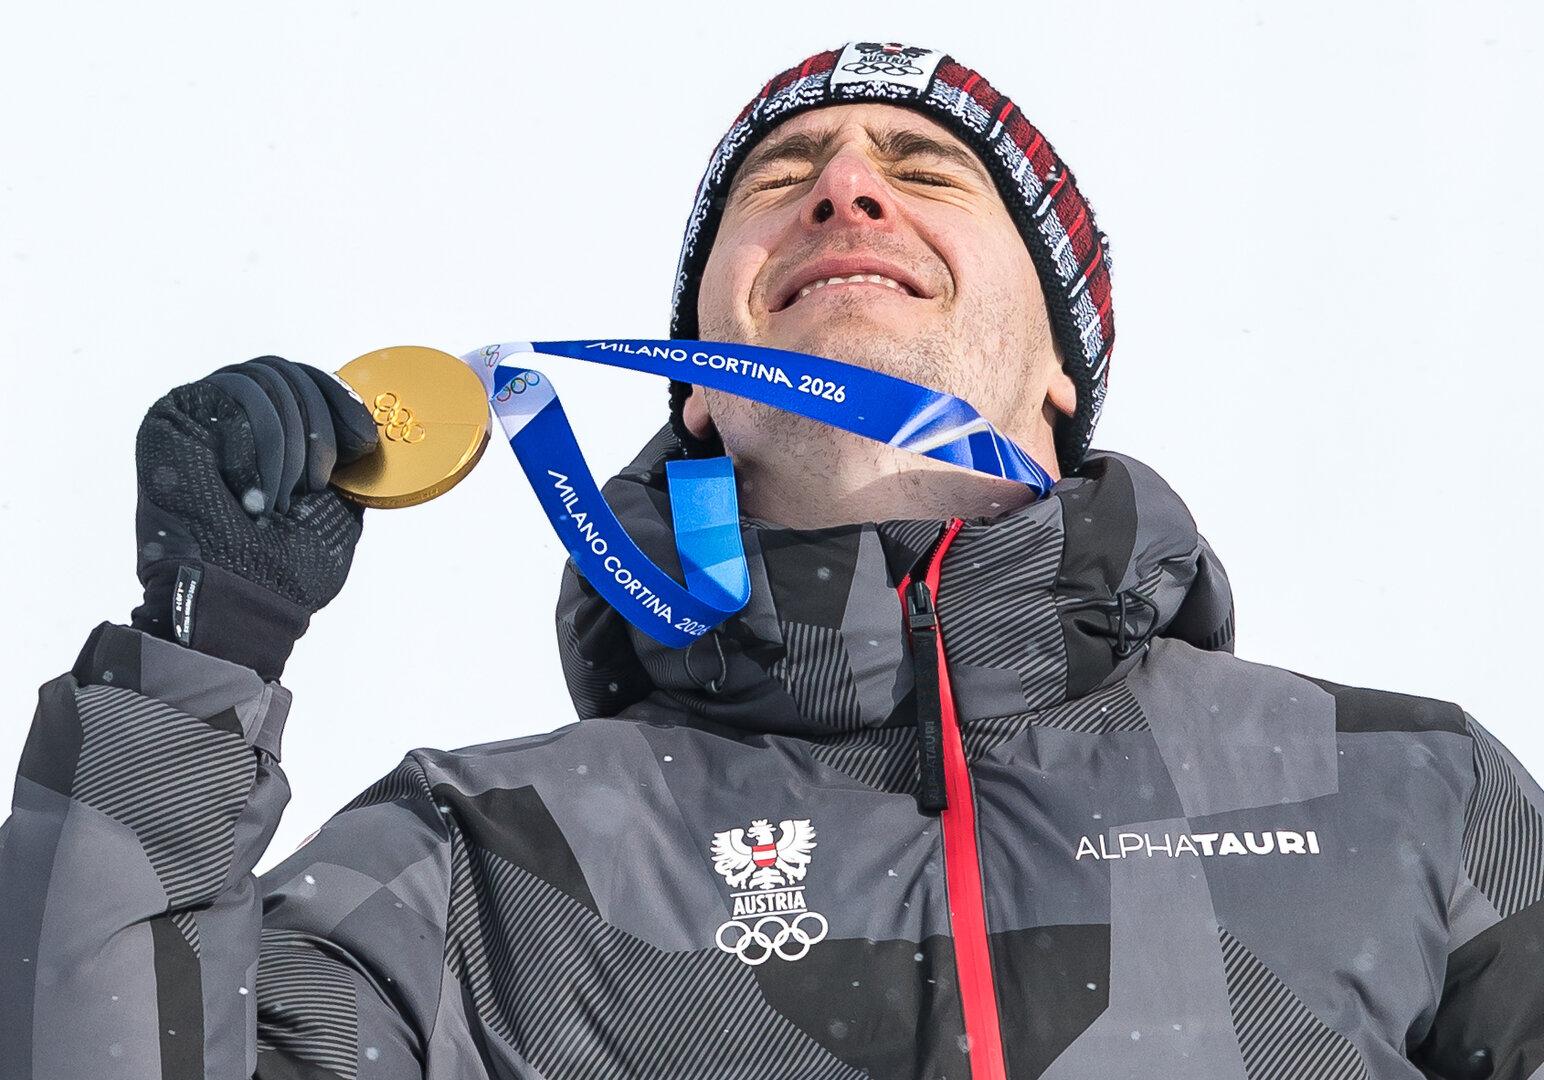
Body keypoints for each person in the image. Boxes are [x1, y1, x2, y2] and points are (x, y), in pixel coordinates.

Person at [2, 39, 1540, 1080]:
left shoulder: (1412, 795)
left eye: (927, 172)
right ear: (699, 383)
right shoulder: (481, 863)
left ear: (1065, 371)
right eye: (782, 174)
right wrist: (198, 665)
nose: (845, 186)